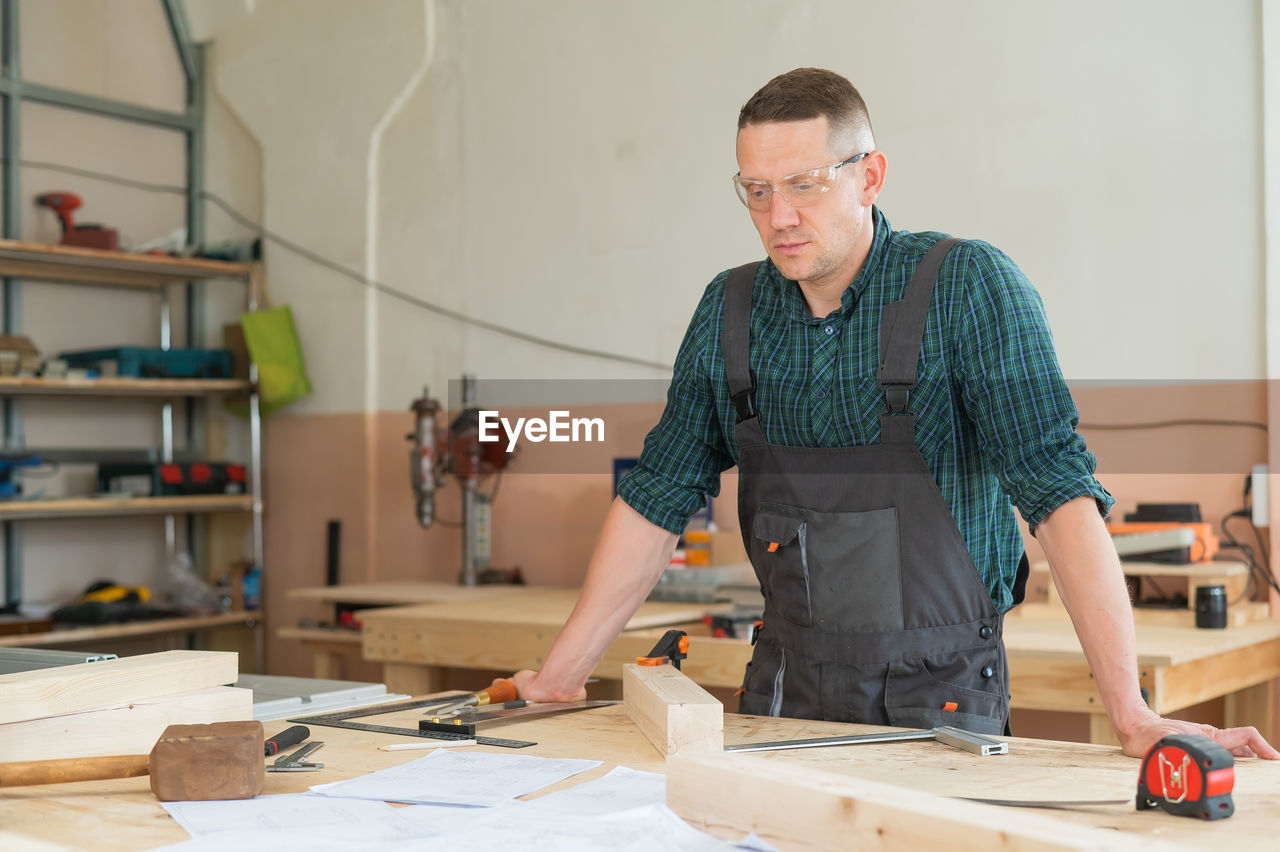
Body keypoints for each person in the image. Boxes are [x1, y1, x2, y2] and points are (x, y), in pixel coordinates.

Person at [507, 67, 1278, 759]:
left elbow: (1058, 495)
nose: (780, 217)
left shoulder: (966, 288)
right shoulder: (729, 310)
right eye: (757, 190)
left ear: (869, 175)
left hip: (939, 711)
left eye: (805, 184)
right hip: (779, 710)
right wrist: (559, 676)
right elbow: (658, 495)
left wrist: (1131, 713)